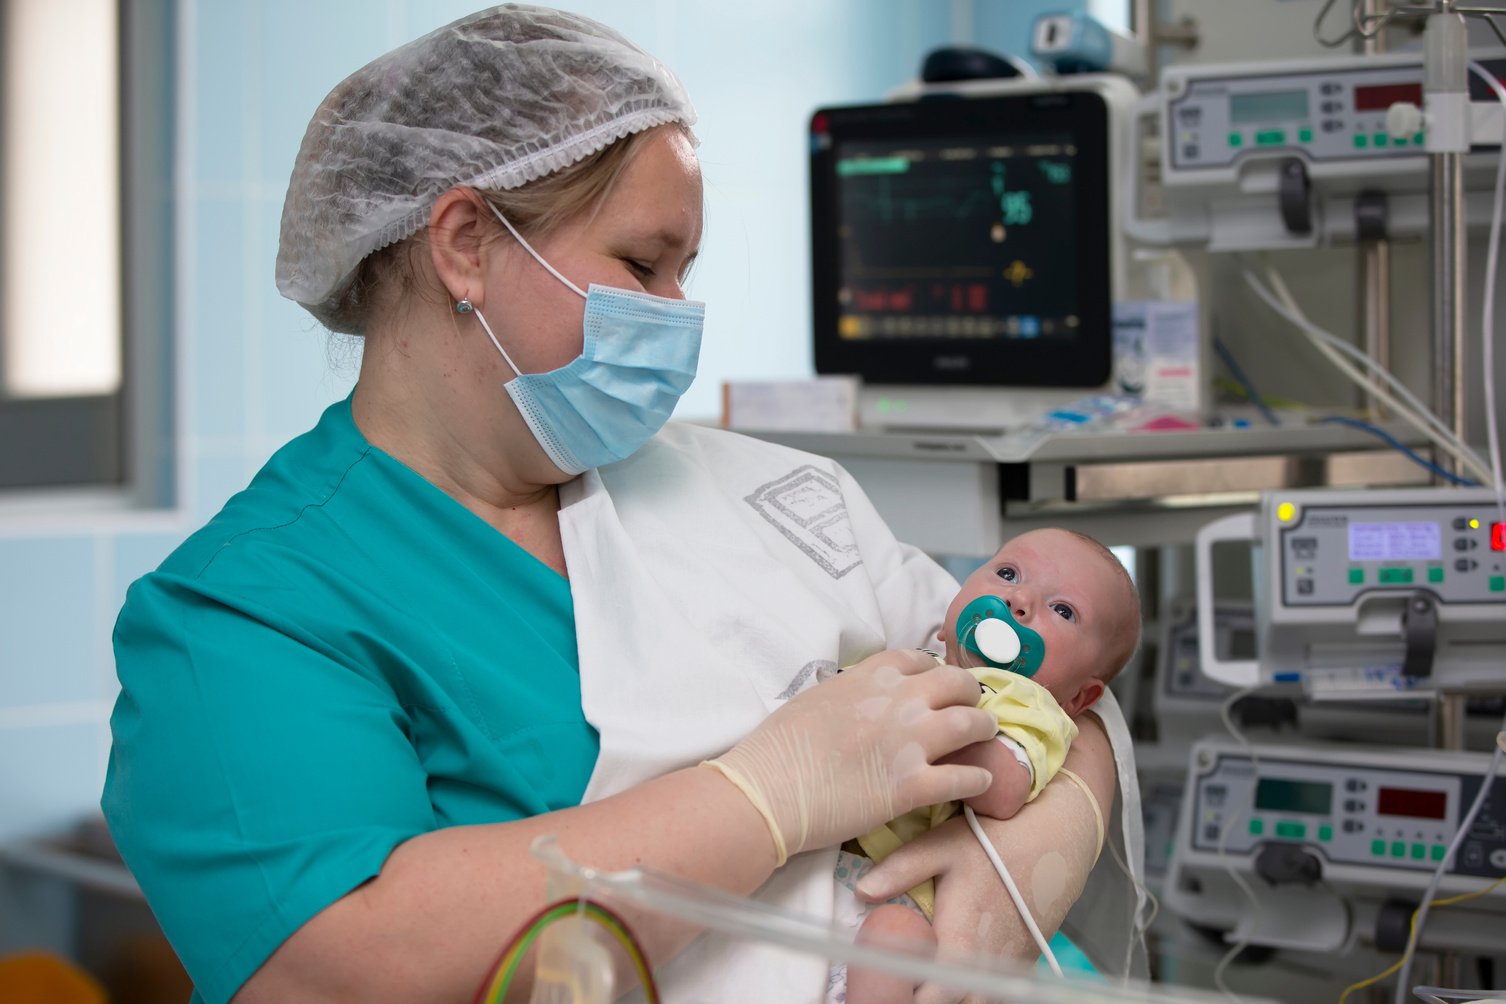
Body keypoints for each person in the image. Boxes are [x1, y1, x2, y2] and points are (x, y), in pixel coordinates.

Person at [100, 7, 1126, 1003]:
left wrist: (1047, 833)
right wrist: (765, 797)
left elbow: (1046, 675)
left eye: (685, 271)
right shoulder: (250, 609)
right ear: (463, 242)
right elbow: (332, 958)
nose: (675, 315)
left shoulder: (770, 492)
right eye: (642, 263)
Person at [842, 528, 1141, 1004]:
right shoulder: (915, 664)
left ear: (1080, 697)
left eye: (1063, 610)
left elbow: (1004, 789)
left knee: (892, 936)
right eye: (1007, 573)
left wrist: (930, 732)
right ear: (945, 623)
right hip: (839, 865)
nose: (1020, 599)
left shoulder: (1032, 711)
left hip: (915, 902)